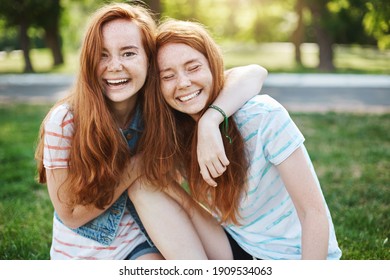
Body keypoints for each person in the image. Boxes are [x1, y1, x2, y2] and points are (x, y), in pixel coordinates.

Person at [34, 3, 267, 260]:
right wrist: (138, 165)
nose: (114, 66)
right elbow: (71, 215)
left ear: (149, 59)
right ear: (89, 60)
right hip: (83, 248)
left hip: (143, 237)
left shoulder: (161, 107)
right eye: (103, 55)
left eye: (128, 53)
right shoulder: (65, 122)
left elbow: (254, 73)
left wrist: (210, 120)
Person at [139, 19, 342, 260]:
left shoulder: (263, 115)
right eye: (168, 76)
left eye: (193, 68)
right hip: (236, 246)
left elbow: (314, 214)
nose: (183, 83)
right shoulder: (177, 130)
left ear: (213, 66)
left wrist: (210, 120)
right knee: (142, 185)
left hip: (292, 256)